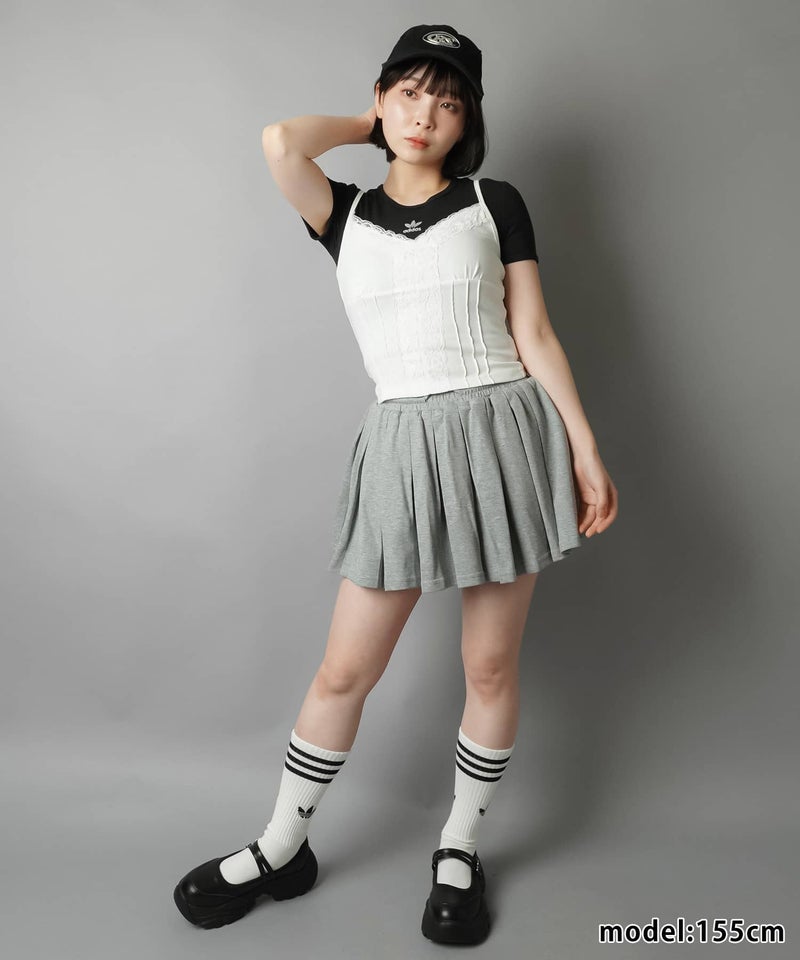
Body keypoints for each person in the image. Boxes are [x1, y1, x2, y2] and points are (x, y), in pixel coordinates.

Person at [172, 23, 618, 946]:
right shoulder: (341, 213)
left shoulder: (495, 202)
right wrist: (367, 125)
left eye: (448, 102)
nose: (426, 115)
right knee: (345, 669)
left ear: (468, 122)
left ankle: (459, 845)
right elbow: (279, 142)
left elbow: (534, 333)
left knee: (488, 665)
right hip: (400, 441)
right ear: (380, 99)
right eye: (410, 93)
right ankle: (282, 846)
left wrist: (583, 447)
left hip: (501, 431)